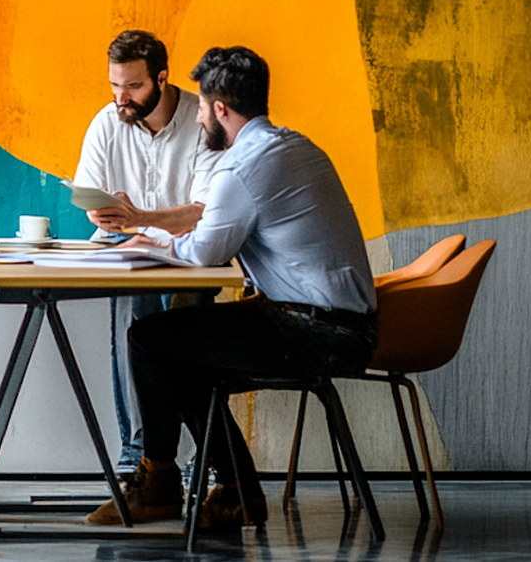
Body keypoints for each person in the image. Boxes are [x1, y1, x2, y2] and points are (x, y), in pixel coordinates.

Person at [86, 46, 377, 528]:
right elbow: (209, 240)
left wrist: (149, 239)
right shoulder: (293, 146)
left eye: (202, 106)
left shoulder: (242, 166)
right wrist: (160, 235)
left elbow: (206, 250)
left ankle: (163, 485)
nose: (199, 117)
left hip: (318, 331)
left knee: (150, 339)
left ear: (221, 109)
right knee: (180, 345)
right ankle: (230, 490)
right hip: (337, 323)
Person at [72, 30, 221, 478]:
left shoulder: (202, 121)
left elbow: (204, 212)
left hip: (188, 247)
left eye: (133, 86)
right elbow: (87, 196)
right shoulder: (107, 122)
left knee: (188, 323)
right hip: (125, 243)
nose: (122, 98)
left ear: (161, 78)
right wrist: (103, 213)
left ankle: (207, 455)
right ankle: (140, 455)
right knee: (134, 308)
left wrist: (141, 218)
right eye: (115, 85)